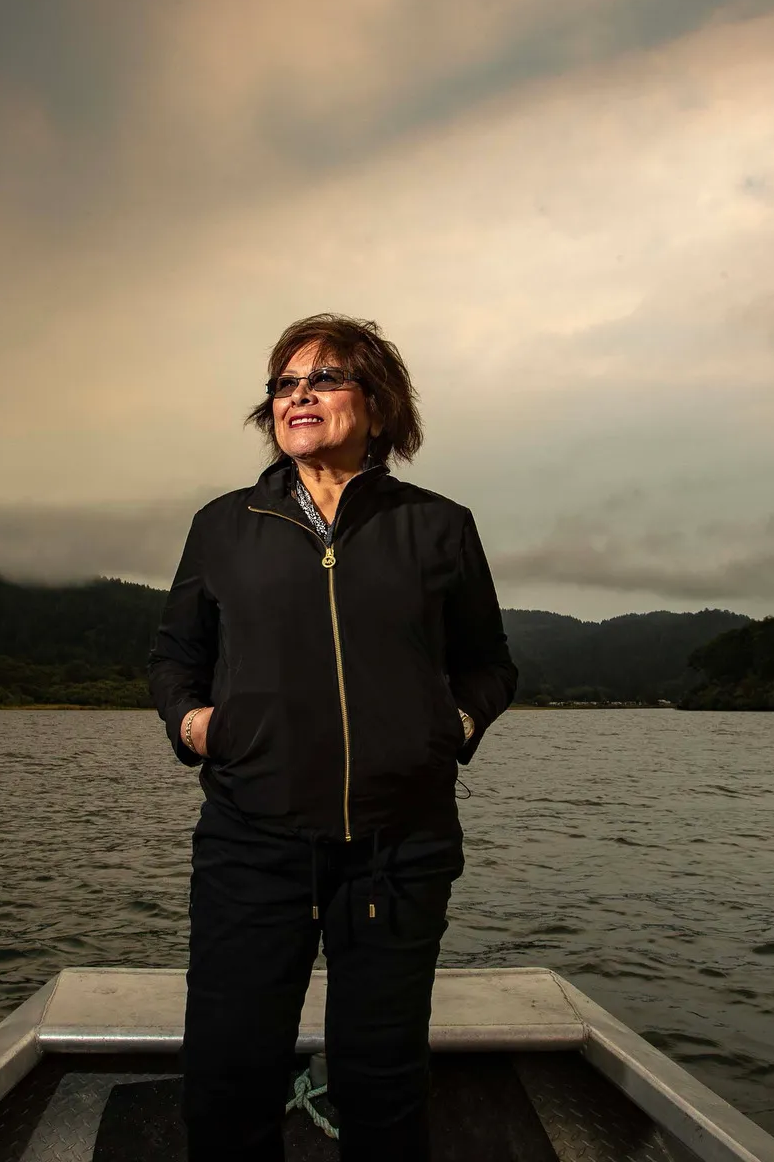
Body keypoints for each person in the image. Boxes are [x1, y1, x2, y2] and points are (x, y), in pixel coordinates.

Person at [148, 313, 518, 1160]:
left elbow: (490, 662)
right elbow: (175, 656)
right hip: (251, 841)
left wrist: (451, 726)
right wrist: (196, 724)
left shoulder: (439, 526)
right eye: (285, 383)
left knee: (383, 1083)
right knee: (229, 1079)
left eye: (324, 379)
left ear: (378, 405)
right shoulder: (225, 524)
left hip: (400, 847)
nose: (298, 396)